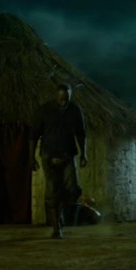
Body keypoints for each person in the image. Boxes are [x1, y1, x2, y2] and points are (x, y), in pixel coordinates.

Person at [30, 83, 88, 239]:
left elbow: (81, 133)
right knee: (53, 190)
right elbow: (33, 136)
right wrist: (31, 158)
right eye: (61, 99)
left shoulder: (74, 110)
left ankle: (61, 213)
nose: (64, 102)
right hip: (49, 156)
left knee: (72, 189)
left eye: (67, 99)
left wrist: (84, 154)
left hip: (67, 155)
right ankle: (57, 227)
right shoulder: (44, 111)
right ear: (56, 96)